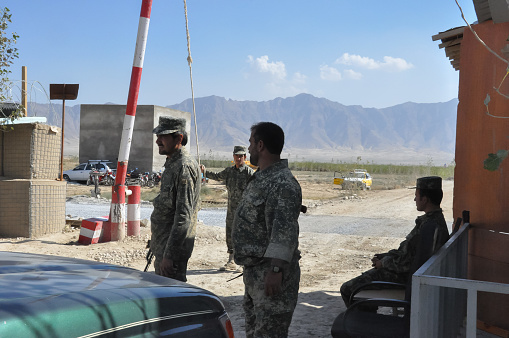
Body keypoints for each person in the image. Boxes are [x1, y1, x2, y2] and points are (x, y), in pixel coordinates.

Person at [232, 122, 302, 337]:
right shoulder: (262, 178)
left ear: (261, 145)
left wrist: (275, 271)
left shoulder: (282, 183)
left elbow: (284, 231)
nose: (249, 148)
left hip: (270, 274)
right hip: (255, 273)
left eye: (251, 143)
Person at [340, 176, 450, 307]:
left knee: (347, 289)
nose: (415, 199)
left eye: (417, 195)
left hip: (403, 277)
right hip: (413, 275)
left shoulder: (428, 226)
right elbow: (408, 252)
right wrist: (386, 256)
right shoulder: (436, 221)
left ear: (425, 199)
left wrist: (383, 263)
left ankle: (362, 322)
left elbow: (405, 263)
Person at [149, 116, 201, 282]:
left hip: (171, 253)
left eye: (163, 137)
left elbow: (183, 216)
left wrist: (169, 255)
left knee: (170, 299)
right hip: (164, 246)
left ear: (178, 138)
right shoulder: (173, 162)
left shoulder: (183, 166)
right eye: (158, 136)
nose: (158, 141)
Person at [200, 145, 255, 271]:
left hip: (244, 211)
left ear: (245, 157)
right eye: (236, 155)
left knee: (243, 235)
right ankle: (231, 259)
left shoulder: (249, 173)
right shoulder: (229, 171)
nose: (238, 158)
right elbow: (217, 176)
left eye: (241, 156)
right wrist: (204, 171)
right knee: (230, 233)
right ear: (233, 156)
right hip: (231, 210)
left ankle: (242, 262)